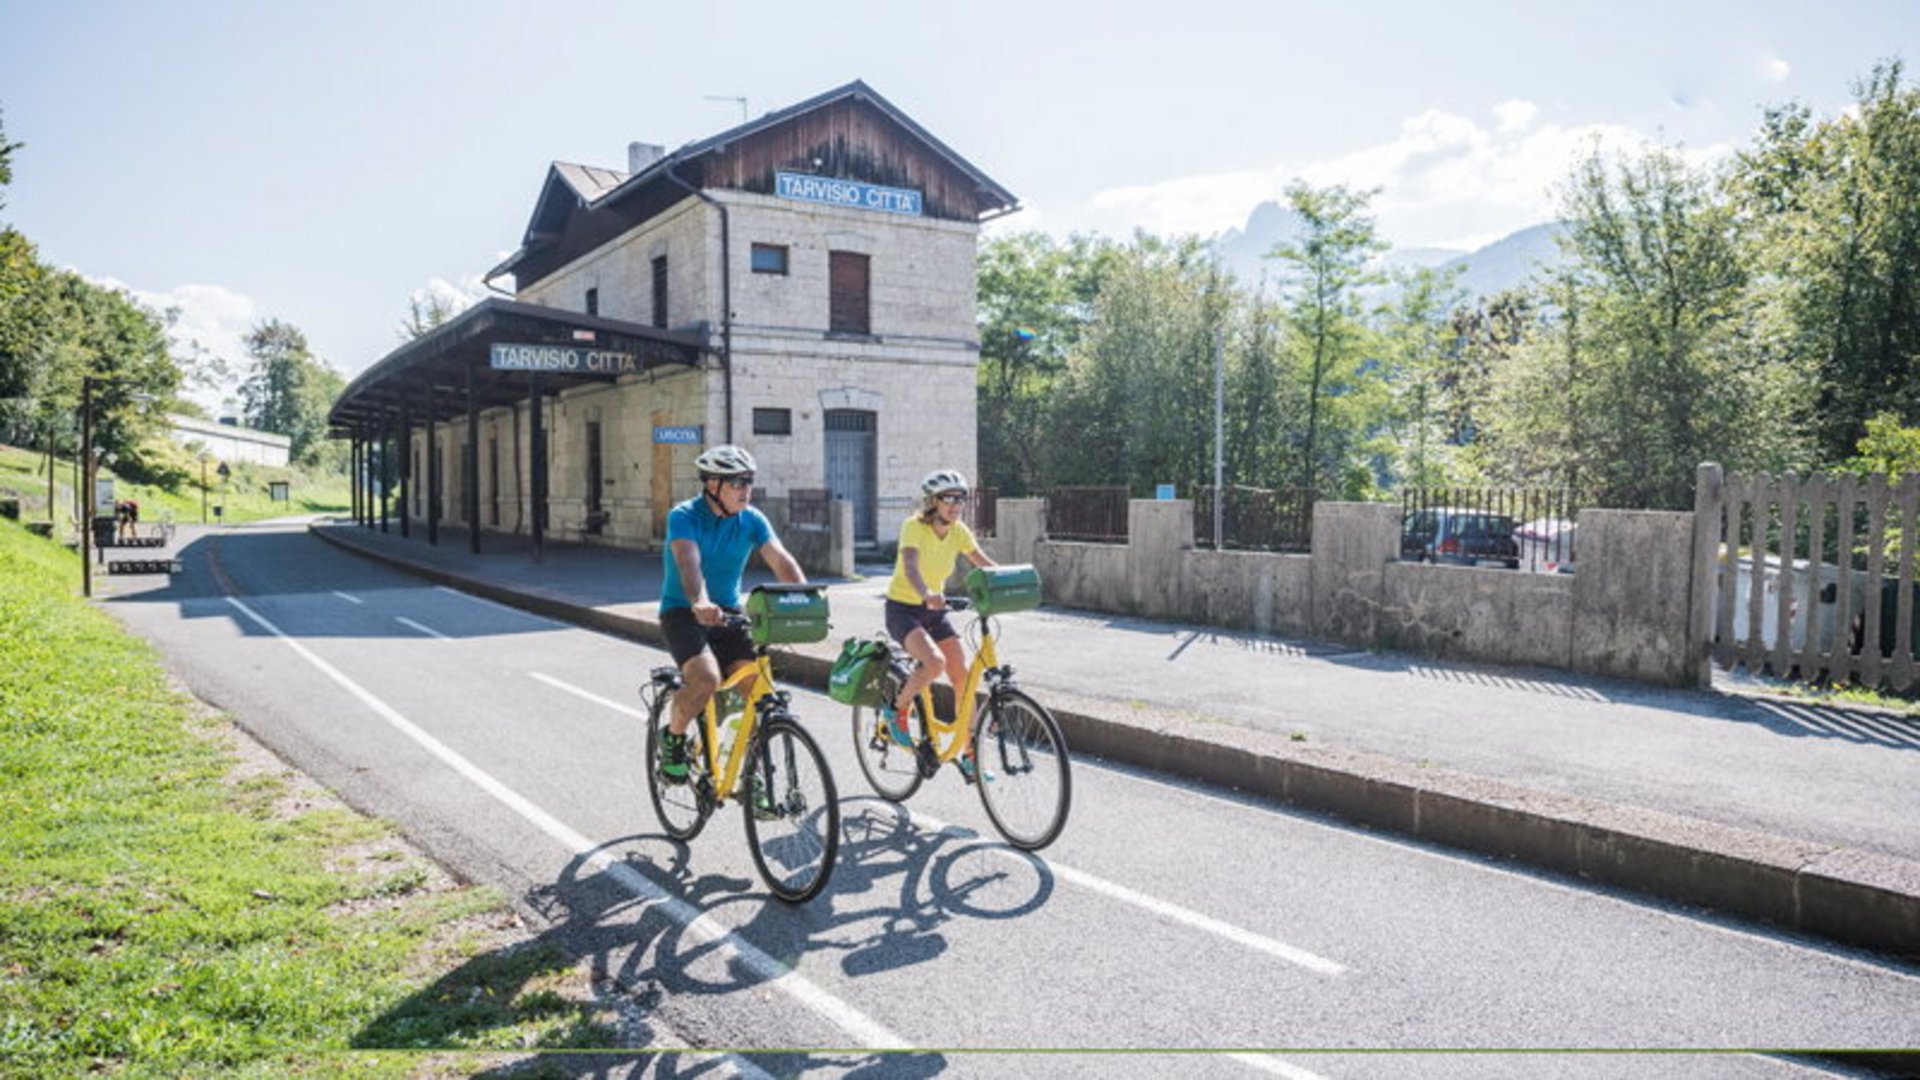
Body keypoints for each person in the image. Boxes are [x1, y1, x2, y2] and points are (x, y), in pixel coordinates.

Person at [656, 444, 807, 784]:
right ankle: (673, 738)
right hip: (683, 612)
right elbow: (688, 563)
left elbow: (782, 560)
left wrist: (805, 598)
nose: (745, 490)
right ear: (712, 485)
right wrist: (700, 602)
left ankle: (752, 775)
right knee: (706, 678)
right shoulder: (683, 516)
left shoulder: (751, 519)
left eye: (748, 482)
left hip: (729, 614)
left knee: (762, 695)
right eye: (737, 483)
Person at [883, 469, 997, 781]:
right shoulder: (913, 527)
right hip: (904, 609)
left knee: (963, 677)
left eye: (960, 498)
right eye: (948, 498)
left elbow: (983, 562)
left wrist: (1010, 581)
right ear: (933, 502)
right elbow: (909, 566)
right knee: (934, 663)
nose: (955, 504)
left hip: (935, 612)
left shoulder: (959, 531)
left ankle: (970, 754)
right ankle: (897, 710)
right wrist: (925, 593)